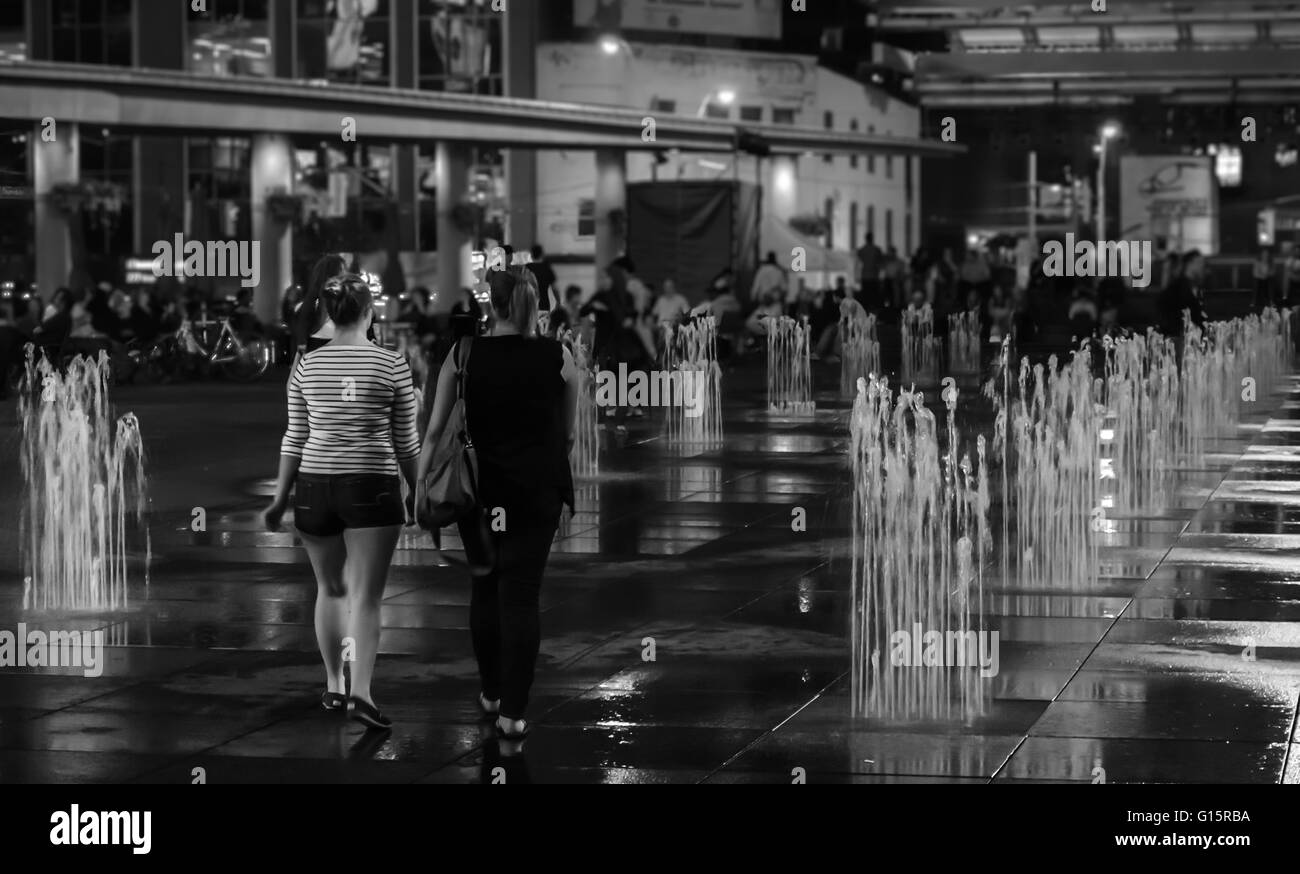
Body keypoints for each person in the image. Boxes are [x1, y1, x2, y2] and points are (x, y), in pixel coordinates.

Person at [418, 267, 577, 742]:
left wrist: (419, 485)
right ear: (531, 304)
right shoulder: (560, 356)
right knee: (522, 597)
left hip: (478, 493)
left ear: (492, 305)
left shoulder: (463, 354)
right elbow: (568, 435)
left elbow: (433, 430)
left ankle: (490, 692)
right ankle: (513, 712)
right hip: (537, 493)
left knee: (486, 588)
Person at [262, 274, 420, 732]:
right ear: (370, 313)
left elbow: (295, 436)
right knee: (367, 598)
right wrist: (417, 493)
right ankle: (362, 695)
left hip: (314, 486)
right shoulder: (392, 365)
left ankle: (333, 684)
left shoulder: (307, 366)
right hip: (371, 483)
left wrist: (279, 499)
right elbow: (405, 441)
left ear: (330, 315)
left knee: (330, 589)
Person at [526, 245, 559, 314]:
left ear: (531, 255)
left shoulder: (526, 269)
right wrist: (558, 301)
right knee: (543, 324)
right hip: (544, 305)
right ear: (542, 255)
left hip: (528, 305)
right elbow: (555, 288)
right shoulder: (547, 269)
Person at [856, 233, 883, 309]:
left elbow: (858, 263)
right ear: (872, 238)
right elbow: (880, 262)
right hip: (874, 276)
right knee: (874, 296)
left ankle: (866, 310)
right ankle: (873, 310)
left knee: (865, 296)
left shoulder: (861, 250)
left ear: (865, 239)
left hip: (865, 276)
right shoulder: (877, 250)